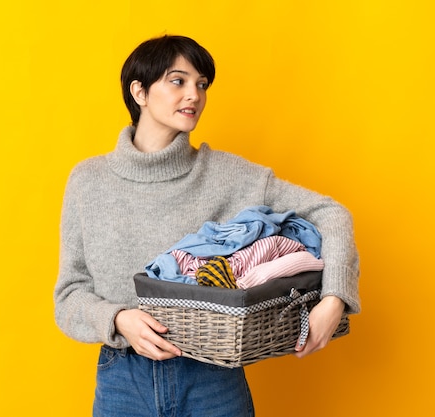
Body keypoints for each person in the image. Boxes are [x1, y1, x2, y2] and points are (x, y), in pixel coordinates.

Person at [54, 35, 360, 417]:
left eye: (201, 85)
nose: (194, 95)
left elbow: (331, 213)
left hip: (212, 378)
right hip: (123, 377)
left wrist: (334, 298)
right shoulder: (88, 181)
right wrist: (117, 319)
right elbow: (70, 294)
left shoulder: (227, 174)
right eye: (178, 81)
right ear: (140, 92)